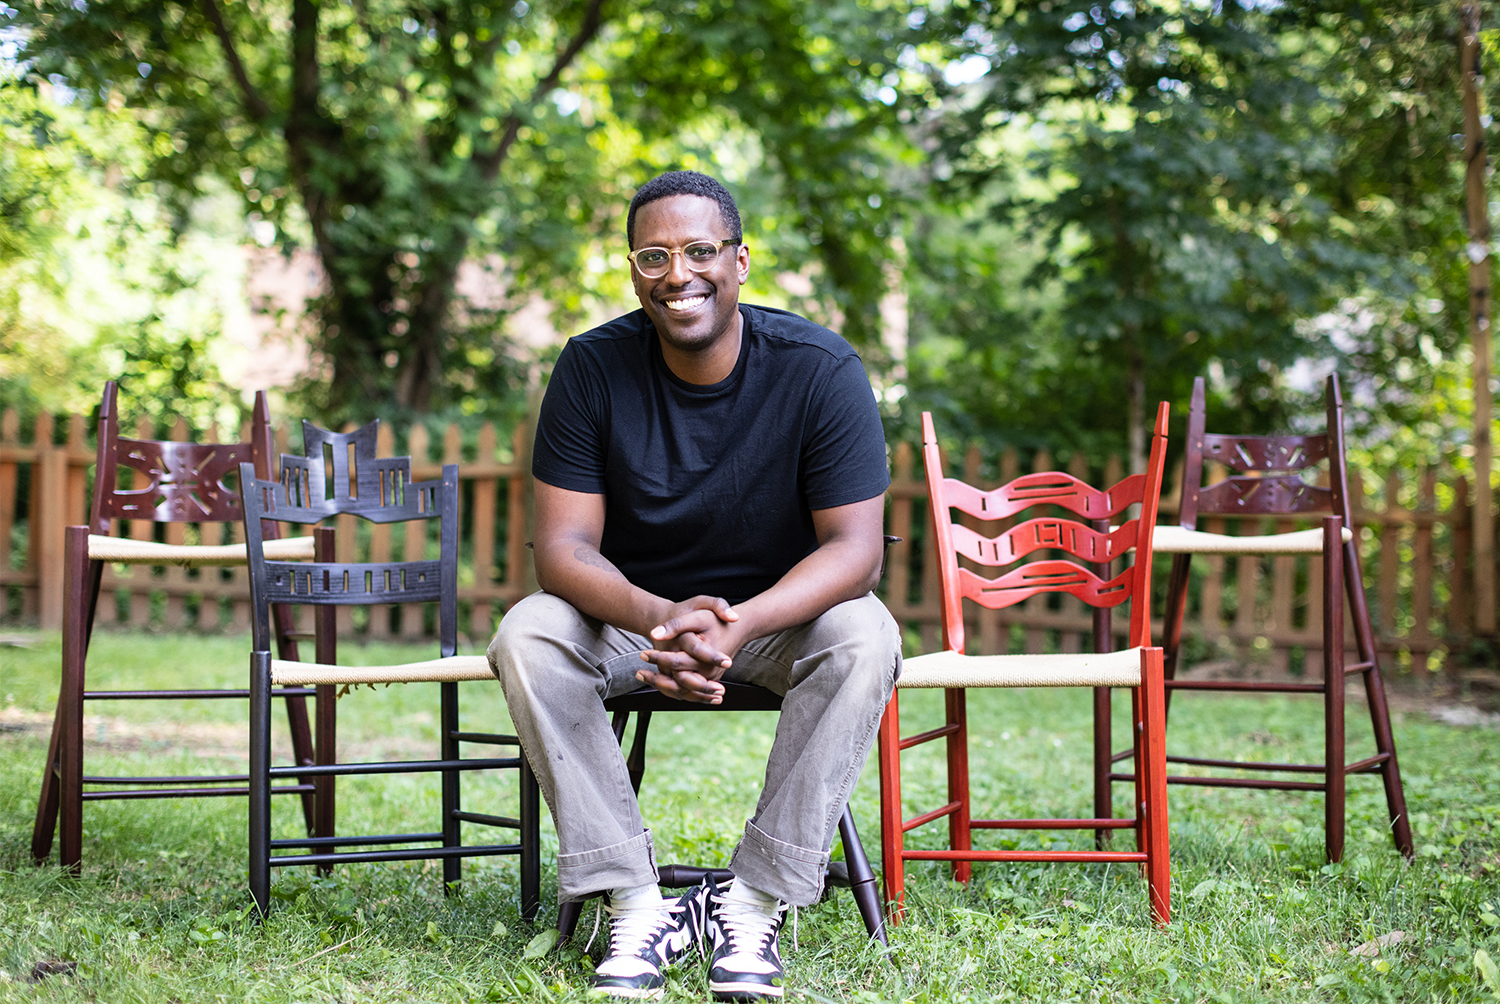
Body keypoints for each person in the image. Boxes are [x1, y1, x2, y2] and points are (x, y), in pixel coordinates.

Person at [488, 170, 900, 1002]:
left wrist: (738, 624)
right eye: (653, 255)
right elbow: (562, 552)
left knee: (867, 633)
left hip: (778, 622)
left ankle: (751, 903)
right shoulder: (591, 369)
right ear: (633, 268)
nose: (678, 274)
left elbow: (855, 553)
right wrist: (662, 618)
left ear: (740, 260)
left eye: (700, 250)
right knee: (528, 630)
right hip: (633, 623)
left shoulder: (820, 370)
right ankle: (635, 902)